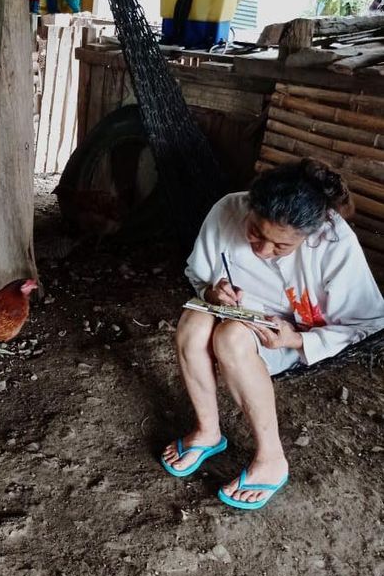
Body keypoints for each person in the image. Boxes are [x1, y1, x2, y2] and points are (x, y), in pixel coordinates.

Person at [161, 159, 384, 510]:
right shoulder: (227, 209)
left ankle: (271, 459)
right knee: (193, 321)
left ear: (309, 235)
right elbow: (198, 273)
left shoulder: (334, 240)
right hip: (238, 313)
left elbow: (369, 323)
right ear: (250, 206)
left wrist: (295, 339)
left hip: (294, 337)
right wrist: (211, 292)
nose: (262, 250)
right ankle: (207, 432)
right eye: (255, 232)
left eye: (280, 247)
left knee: (230, 338)